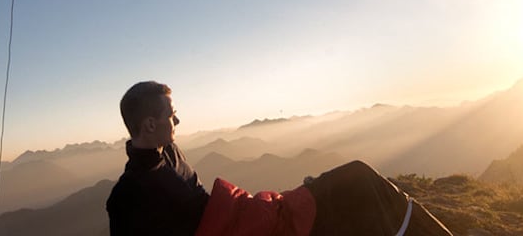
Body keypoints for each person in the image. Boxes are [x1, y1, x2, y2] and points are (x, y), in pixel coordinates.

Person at [106, 81, 454, 236]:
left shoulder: (170, 150)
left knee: (358, 178)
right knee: (358, 182)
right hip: (242, 230)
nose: (177, 121)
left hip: (245, 218)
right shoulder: (128, 196)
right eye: (171, 115)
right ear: (150, 124)